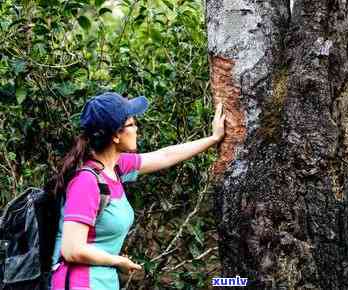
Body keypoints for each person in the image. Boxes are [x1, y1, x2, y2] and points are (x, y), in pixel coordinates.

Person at [49, 92, 226, 290]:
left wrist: (213, 138)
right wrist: (117, 261)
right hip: (79, 283)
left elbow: (165, 156)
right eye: (132, 124)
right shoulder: (86, 181)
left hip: (101, 281)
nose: (137, 129)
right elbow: (72, 249)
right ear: (116, 135)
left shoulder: (115, 166)